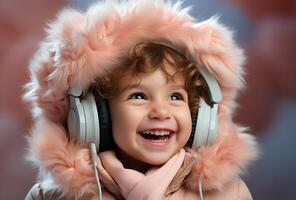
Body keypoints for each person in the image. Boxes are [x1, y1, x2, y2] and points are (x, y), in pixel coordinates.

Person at [24, 0, 258, 199]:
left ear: (199, 115)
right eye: (138, 96)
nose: (161, 111)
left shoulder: (230, 194)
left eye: (175, 97)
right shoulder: (51, 196)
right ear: (96, 114)